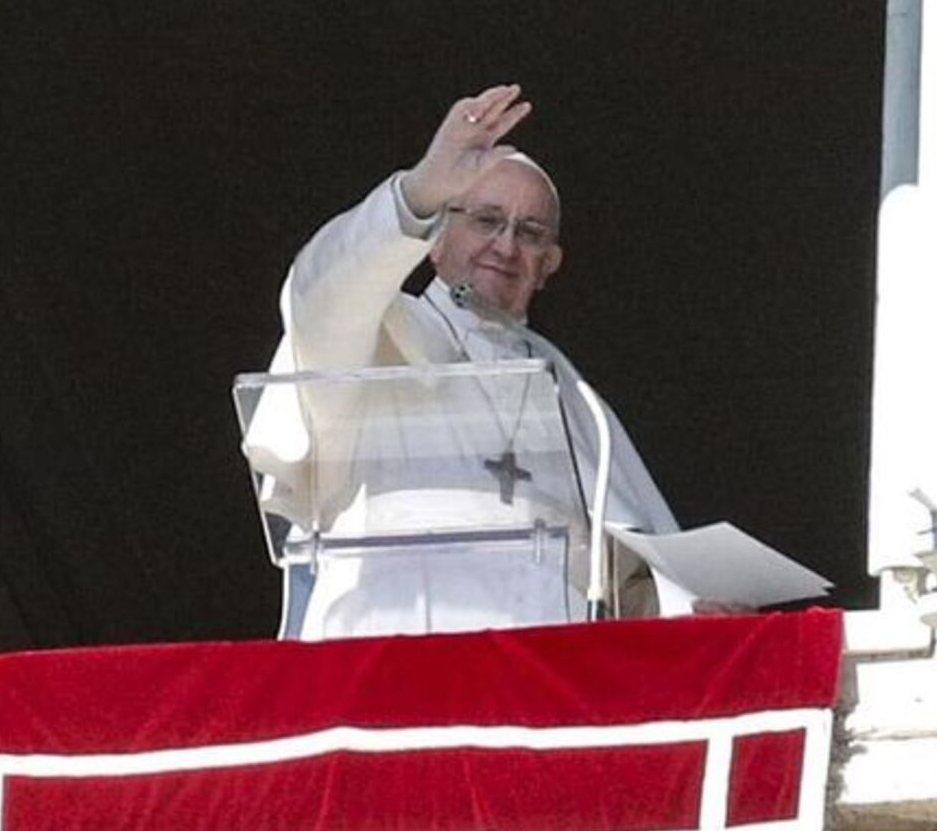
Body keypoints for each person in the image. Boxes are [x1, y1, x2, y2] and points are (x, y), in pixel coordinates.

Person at [245, 84, 677, 639]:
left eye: (530, 232)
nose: (505, 246)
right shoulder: (376, 334)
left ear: (550, 264)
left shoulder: (572, 395)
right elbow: (316, 294)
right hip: (389, 663)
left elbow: (626, 580)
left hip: (543, 683)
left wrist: (686, 606)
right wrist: (420, 190)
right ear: (434, 239)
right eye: (486, 220)